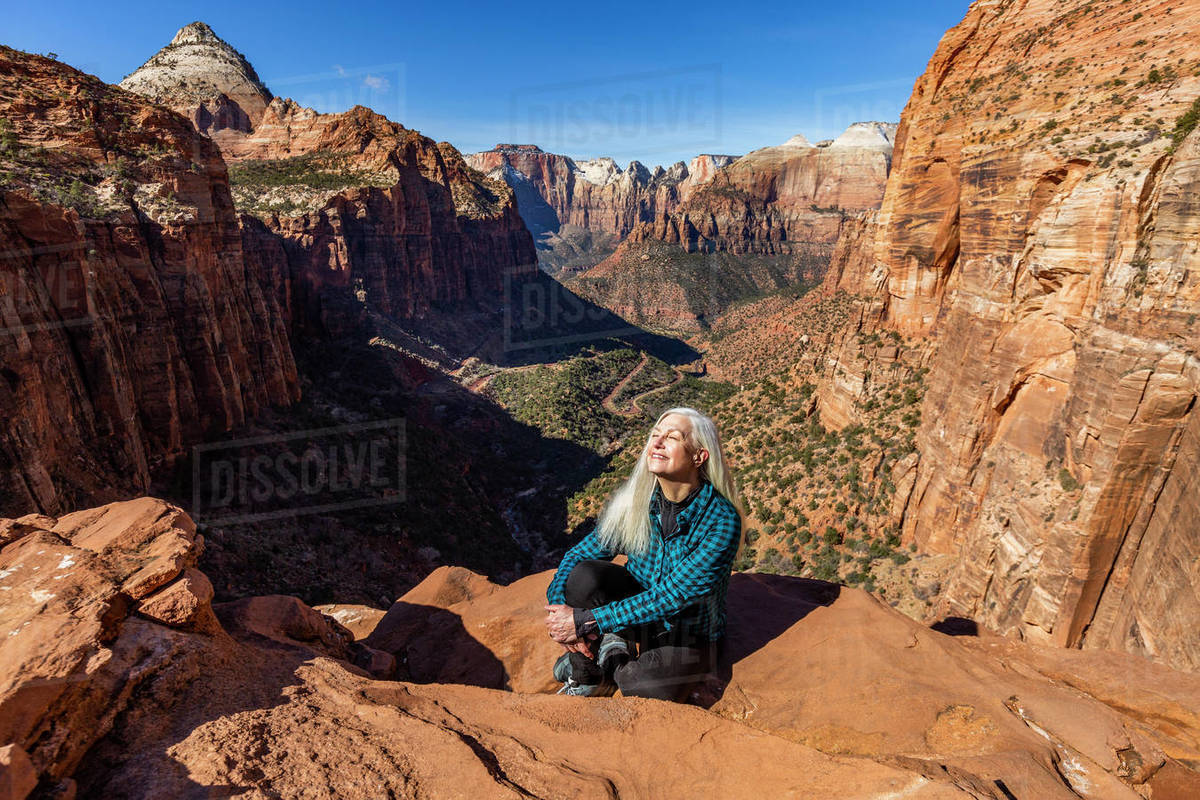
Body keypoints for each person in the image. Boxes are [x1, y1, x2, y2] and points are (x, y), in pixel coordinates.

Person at [544, 406, 744, 702]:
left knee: (647, 688)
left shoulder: (722, 521)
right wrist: (558, 610)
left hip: (685, 628)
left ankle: (610, 652)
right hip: (634, 609)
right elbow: (577, 555)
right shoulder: (637, 502)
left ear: (699, 456)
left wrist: (588, 621)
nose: (657, 442)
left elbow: (672, 596)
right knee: (583, 576)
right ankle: (588, 675)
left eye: (672, 437)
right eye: (655, 435)